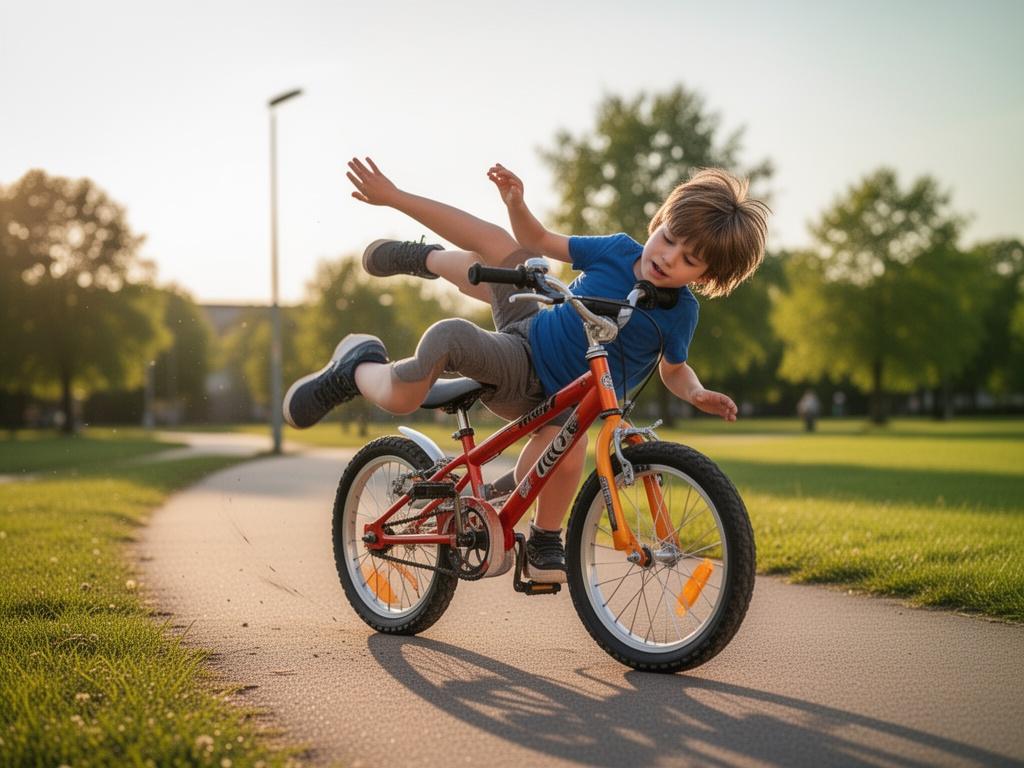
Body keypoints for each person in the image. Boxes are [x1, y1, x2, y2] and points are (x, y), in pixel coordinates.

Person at [283, 157, 770, 582]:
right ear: (658, 222)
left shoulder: (680, 313)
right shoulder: (619, 250)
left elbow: (674, 370)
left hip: (561, 404)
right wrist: (515, 203)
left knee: (566, 450)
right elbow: (538, 238)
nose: (667, 257)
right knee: (504, 258)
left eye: (688, 259)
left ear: (706, 276)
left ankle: (543, 540)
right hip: (525, 346)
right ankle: (367, 353)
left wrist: (697, 393)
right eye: (668, 239)